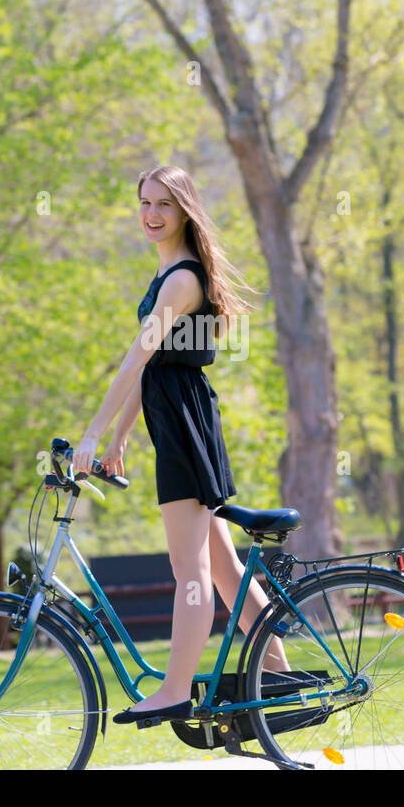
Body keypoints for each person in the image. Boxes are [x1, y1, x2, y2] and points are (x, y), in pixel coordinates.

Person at [72, 165, 290, 727]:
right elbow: (156, 370)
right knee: (223, 571)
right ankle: (282, 684)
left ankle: (173, 690)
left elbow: (138, 360)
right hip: (180, 421)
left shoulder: (181, 279)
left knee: (188, 569)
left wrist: (93, 432)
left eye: (164, 203)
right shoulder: (170, 272)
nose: (152, 213)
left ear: (185, 209)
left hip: (186, 430)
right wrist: (119, 437)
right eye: (145, 202)